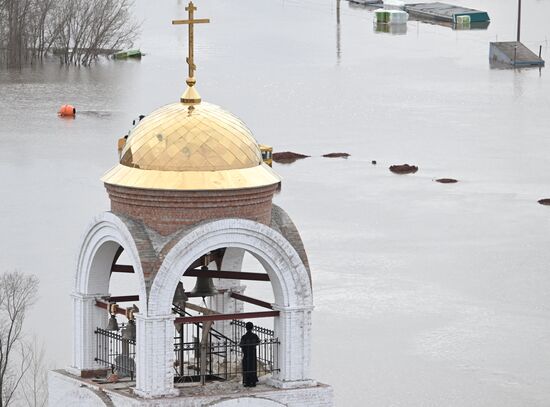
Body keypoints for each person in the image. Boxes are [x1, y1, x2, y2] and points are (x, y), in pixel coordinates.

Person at [239, 322, 260, 387]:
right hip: (253, 354)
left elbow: (241, 345)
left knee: (246, 367)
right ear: (252, 327)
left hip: (246, 354)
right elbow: (258, 342)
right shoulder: (254, 336)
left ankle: (247, 382)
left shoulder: (244, 337)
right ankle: (253, 382)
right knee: (253, 367)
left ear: (246, 328)